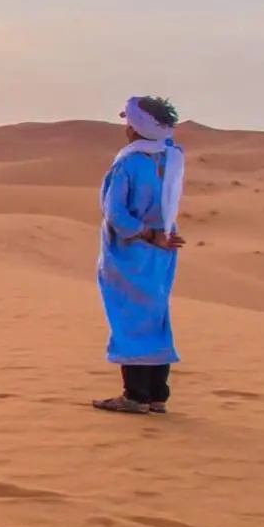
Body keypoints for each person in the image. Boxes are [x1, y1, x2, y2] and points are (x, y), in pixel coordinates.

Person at [93, 96, 185, 415]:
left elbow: (116, 214)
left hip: (131, 250)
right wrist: (162, 235)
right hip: (162, 250)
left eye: (129, 122)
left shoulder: (129, 163)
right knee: (155, 315)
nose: (126, 128)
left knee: (130, 318)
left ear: (136, 128)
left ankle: (135, 395)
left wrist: (146, 234)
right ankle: (157, 394)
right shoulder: (172, 158)